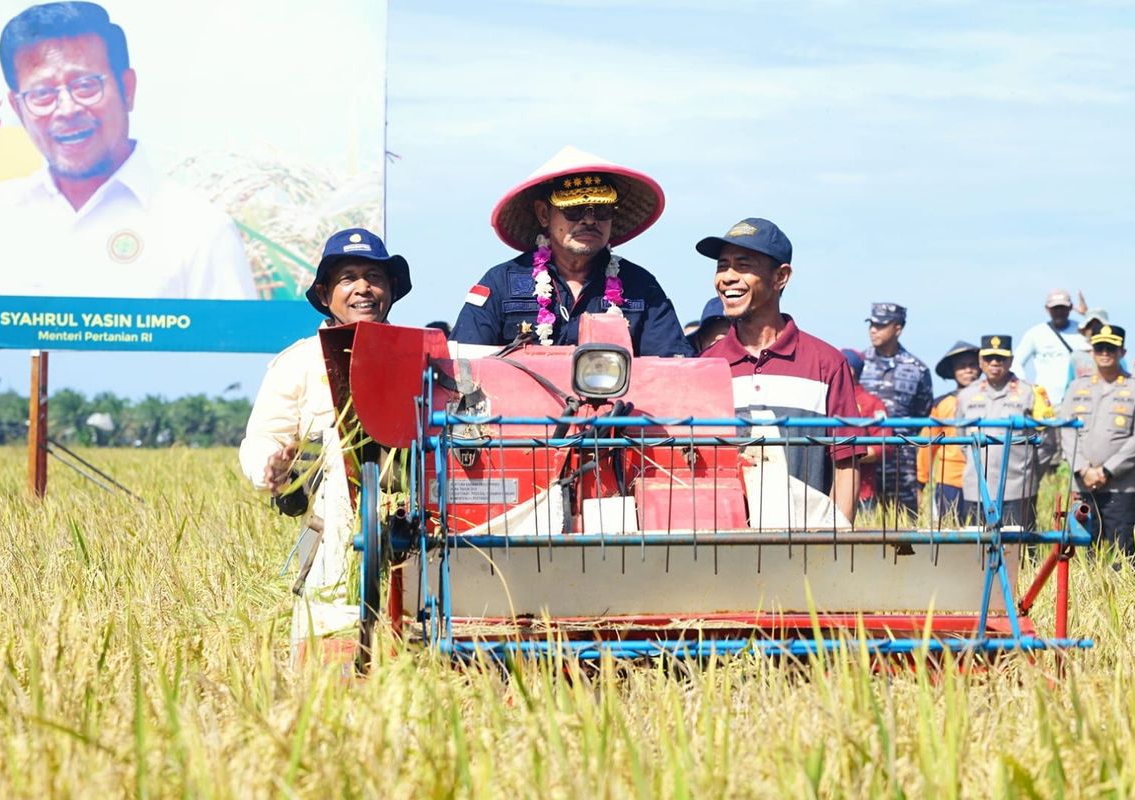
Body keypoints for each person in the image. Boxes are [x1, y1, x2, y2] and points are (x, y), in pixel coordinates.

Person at [0, 2, 255, 299]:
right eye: (42, 94)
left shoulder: (199, 229)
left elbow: (236, 357)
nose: (67, 109)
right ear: (18, 110)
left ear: (127, 89)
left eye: (86, 85)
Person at [239, 228, 409, 665]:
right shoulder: (297, 361)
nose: (363, 288)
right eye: (348, 277)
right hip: (334, 537)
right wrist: (273, 469)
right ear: (325, 294)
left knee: (419, 655)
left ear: (390, 290)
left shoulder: (420, 354)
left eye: (374, 276)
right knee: (329, 664)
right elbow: (262, 440)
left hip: (416, 535)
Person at [451, 146, 692, 357]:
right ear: (544, 214)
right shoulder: (500, 284)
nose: (589, 220)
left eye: (601, 210)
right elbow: (461, 367)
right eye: (574, 210)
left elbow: (675, 368)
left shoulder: (641, 287)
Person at [697, 217, 862, 523]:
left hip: (805, 545)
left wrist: (839, 544)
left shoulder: (826, 363)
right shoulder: (706, 366)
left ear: (780, 277)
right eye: (722, 266)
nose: (727, 278)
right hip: (722, 549)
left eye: (743, 265)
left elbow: (846, 463)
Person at [957, 335, 1056, 529]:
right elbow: (961, 440)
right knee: (976, 552)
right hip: (976, 488)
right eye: (989, 358)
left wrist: (1029, 472)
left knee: (1018, 552)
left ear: (1010, 360)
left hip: (1017, 489)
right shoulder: (967, 394)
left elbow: (1048, 440)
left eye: (1001, 358)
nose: (995, 363)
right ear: (980, 361)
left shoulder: (1031, 393)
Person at [1060, 325, 1135, 560]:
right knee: (1083, 557)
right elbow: (1066, 431)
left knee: (1121, 557)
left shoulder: (1133, 388)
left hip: (1120, 487)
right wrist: (1084, 469)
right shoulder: (1077, 387)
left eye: (1111, 348)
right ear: (1092, 352)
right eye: (1100, 347)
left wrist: (1106, 470)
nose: (1105, 353)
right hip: (1083, 485)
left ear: (1122, 353)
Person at [859, 302, 933, 515]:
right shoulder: (858, 364)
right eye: (871, 324)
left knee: (904, 522)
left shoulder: (917, 369)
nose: (874, 329)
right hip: (867, 456)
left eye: (881, 325)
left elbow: (922, 411)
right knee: (863, 521)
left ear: (898, 329)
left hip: (901, 459)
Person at [917, 341, 981, 521]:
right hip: (950, 479)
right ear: (953, 371)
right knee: (948, 532)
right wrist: (921, 482)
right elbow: (927, 445)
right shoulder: (942, 404)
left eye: (972, 365)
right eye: (962, 366)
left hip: (982, 478)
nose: (968, 370)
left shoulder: (989, 400)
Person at [1014, 289, 1087, 406]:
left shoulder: (1082, 331)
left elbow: (1105, 347)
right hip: (1045, 402)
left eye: (1062, 308)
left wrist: (1088, 315)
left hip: (1078, 400)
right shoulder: (1036, 333)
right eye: (1055, 308)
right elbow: (1016, 363)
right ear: (1047, 309)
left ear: (1070, 308)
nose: (1059, 312)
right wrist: (1027, 387)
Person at [841, 348, 890, 513]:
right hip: (827, 489)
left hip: (863, 495)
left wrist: (847, 456)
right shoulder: (826, 398)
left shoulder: (872, 403)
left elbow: (885, 445)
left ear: (851, 370)